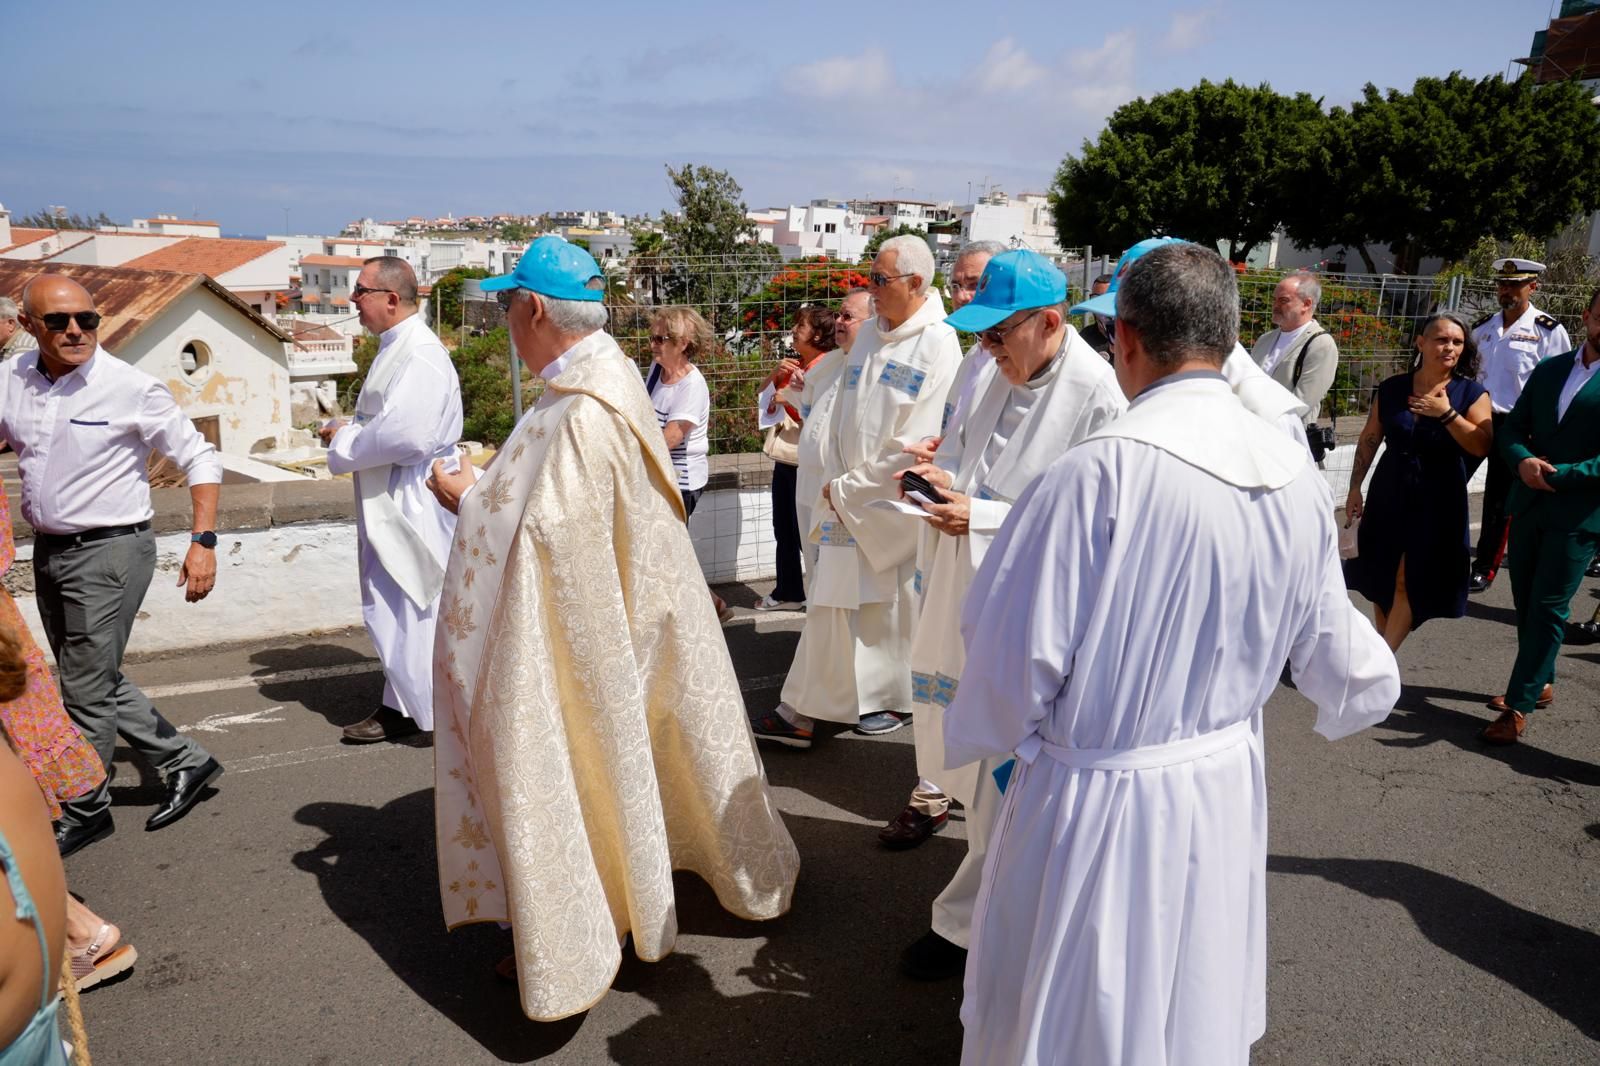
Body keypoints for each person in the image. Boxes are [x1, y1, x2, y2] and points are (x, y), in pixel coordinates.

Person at [946, 242, 1399, 1065]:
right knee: (1189, 997)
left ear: (1124, 338)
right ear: (1228, 337)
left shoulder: (1097, 475)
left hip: (1097, 796)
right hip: (1221, 780)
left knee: (1079, 1009)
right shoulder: (1292, 473)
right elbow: (1340, 659)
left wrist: (998, 736)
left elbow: (1010, 667)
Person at [423, 236, 798, 1022]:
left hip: (589, 628)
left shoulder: (583, 410)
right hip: (636, 610)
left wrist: (466, 497)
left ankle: (588, 925)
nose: (504, 321)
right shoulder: (606, 377)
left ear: (531, 309)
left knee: (583, 757)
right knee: (641, 753)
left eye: (505, 306)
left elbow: (546, 536)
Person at [893, 250, 1127, 981]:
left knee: (1012, 785)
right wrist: (940, 482)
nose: (986, 351)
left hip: (1037, 622)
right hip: (973, 595)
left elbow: (1094, 520)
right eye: (982, 337)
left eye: (999, 336)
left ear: (1050, 322)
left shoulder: (1101, 396)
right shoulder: (998, 369)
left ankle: (981, 930)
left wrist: (983, 517)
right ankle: (979, 920)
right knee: (985, 779)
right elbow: (967, 456)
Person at [2, 275, 223, 851]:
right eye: (58, 321)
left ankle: (86, 805)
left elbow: (199, 457)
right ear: (29, 326)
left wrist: (203, 542)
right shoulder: (11, 380)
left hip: (112, 552)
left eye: (87, 319)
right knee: (91, 674)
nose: (76, 331)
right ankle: (188, 762)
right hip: (50, 550)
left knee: (82, 685)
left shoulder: (131, 388)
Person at [751, 234, 963, 747]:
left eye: (880, 280)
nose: (871, 288)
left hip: (884, 502)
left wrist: (854, 487)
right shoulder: (870, 334)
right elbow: (843, 408)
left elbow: (921, 440)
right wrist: (837, 483)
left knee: (880, 615)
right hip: (841, 499)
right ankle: (812, 707)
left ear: (916, 283)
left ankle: (857, 704)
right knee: (833, 609)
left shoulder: (939, 344)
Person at [880, 240, 1002, 836]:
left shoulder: (1060, 375)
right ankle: (935, 784)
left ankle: (959, 791)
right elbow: (965, 439)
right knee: (936, 671)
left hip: (990, 547)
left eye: (976, 284)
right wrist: (939, 461)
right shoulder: (980, 359)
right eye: (957, 283)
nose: (963, 296)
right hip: (948, 531)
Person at [320, 256, 463, 744]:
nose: (352, 301)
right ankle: (406, 698)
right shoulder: (397, 346)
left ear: (391, 299)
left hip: (413, 491)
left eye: (360, 291)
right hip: (394, 488)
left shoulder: (419, 354)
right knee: (398, 598)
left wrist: (344, 443)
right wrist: (353, 431)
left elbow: (406, 435)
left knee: (411, 595)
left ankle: (421, 706)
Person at [1479, 286, 1600, 744]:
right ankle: (1542, 681)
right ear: (1588, 316)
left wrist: (1563, 475)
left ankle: (1519, 703)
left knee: (1550, 605)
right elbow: (1513, 427)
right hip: (1529, 503)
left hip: (1580, 512)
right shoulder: (1551, 369)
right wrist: (1521, 460)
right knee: (1527, 602)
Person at [1343, 313, 1493, 651]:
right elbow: (1370, 437)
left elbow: (1482, 444)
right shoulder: (1394, 388)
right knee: (1382, 577)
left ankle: (1381, 661)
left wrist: (1446, 413)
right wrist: (1355, 486)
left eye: (1457, 342)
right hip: (1390, 488)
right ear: (1421, 343)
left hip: (1439, 496)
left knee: (1407, 580)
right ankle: (1383, 665)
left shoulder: (1472, 393)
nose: (1450, 347)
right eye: (1442, 340)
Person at [1469, 258, 1572, 593]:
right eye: (1502, 284)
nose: (1506, 290)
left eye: (1515, 285)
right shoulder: (1482, 328)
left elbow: (1558, 383)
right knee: (1447, 483)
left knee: (1499, 501)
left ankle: (1485, 565)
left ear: (1533, 287)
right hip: (1474, 418)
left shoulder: (1548, 331)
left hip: (1515, 424)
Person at [754, 305, 837, 612]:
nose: (794, 331)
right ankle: (790, 590)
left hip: (806, 464)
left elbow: (816, 418)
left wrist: (788, 397)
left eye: (800, 326)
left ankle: (819, 595)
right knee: (785, 529)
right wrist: (776, 376)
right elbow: (763, 397)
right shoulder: (799, 365)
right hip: (787, 459)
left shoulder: (825, 370)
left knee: (807, 534)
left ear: (817, 334)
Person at [793, 292, 870, 587]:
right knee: (812, 571)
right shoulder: (828, 364)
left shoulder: (869, 364)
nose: (838, 321)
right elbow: (811, 416)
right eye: (838, 315)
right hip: (807, 481)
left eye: (847, 316)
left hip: (836, 488)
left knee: (834, 577)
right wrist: (801, 392)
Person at [1251, 271, 1339, 459]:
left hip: (1288, 448)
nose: (1275, 305)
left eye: (1283, 300)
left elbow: (1300, 404)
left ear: (1306, 304)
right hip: (1254, 440)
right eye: (1274, 299)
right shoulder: (1265, 339)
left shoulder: (1320, 344)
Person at [1076, 273, 1115, 357]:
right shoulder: (1085, 337)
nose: (1100, 305)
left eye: (1107, 299)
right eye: (1096, 298)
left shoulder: (1130, 336)